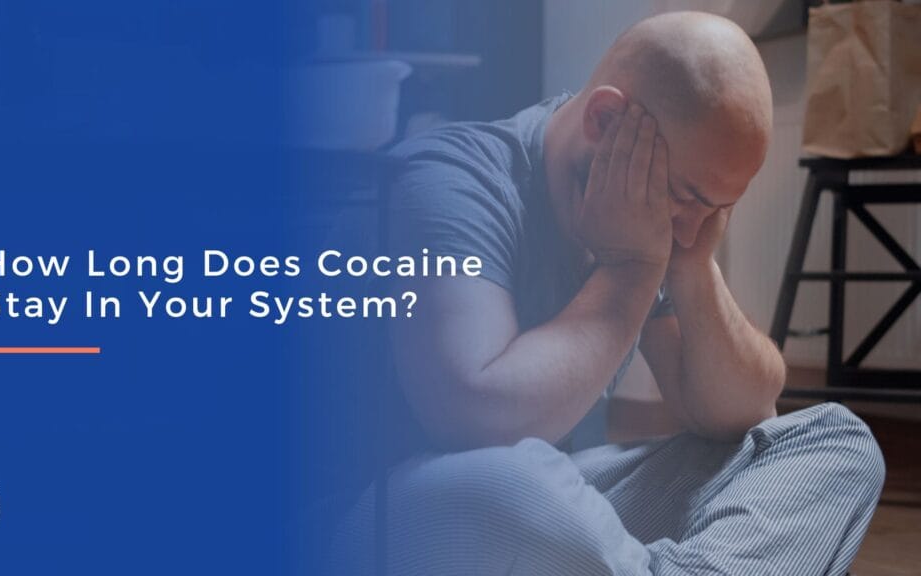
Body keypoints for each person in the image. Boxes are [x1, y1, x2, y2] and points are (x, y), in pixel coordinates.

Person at [331, 11, 884, 575]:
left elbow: (742, 411)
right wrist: (631, 270)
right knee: (518, 480)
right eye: (685, 195)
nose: (690, 230)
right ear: (604, 119)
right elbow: (477, 418)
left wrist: (691, 268)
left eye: (718, 209)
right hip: (371, 522)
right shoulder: (448, 181)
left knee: (834, 439)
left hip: (543, 519)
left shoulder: (650, 220)